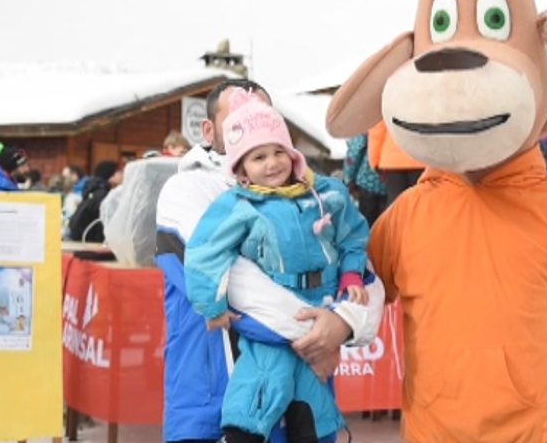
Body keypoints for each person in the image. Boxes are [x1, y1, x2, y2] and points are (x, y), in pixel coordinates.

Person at [155, 79, 383, 443]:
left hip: (302, 401)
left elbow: (365, 279)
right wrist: (324, 333)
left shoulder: (316, 196)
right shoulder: (186, 191)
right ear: (210, 129)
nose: (256, 121)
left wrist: (343, 325)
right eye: (241, 115)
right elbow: (242, 290)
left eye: (265, 114)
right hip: (210, 403)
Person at [67, 160, 119, 243]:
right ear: (110, 175)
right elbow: (101, 222)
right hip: (91, 241)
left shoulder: (92, 189)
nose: (122, 175)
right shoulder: (103, 194)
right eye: (119, 172)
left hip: (80, 238)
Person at [342, 133, 387, 226]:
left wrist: (349, 179)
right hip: (394, 185)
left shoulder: (369, 122)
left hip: (368, 182)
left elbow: (355, 150)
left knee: (366, 227)